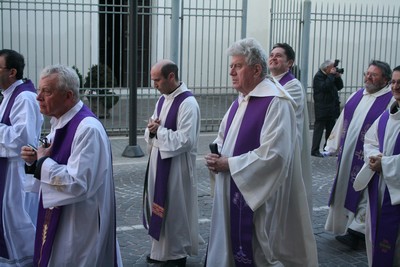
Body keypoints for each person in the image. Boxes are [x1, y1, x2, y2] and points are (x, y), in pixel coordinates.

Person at [204, 38, 318, 266]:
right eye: (231, 66)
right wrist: (216, 155)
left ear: (256, 70)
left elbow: (275, 155)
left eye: (237, 66)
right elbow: (224, 136)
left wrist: (230, 164)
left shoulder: (277, 102)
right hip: (231, 187)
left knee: (257, 252)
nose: (231, 72)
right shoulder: (241, 100)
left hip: (259, 198)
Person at [20, 64, 122, 266]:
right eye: (39, 90)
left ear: (68, 96)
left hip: (79, 222)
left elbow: (78, 182)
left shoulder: (87, 129)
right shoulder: (61, 121)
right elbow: (49, 153)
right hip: (63, 215)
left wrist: (41, 162)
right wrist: (34, 159)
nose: (38, 97)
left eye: (46, 92)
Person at [324, 60, 394, 250]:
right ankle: (347, 228)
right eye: (367, 73)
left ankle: (357, 232)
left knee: (364, 194)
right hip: (348, 156)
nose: (368, 77)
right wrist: (332, 145)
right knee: (346, 188)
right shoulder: (357, 95)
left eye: (374, 75)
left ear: (386, 80)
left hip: (370, 158)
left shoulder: (390, 100)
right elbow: (342, 121)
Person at [143, 59, 200, 267]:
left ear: (171, 77)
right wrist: (151, 129)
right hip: (159, 161)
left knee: (174, 210)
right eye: (152, 80)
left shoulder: (188, 103)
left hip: (176, 167)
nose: (154, 84)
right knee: (157, 206)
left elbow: (187, 140)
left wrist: (159, 132)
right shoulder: (162, 100)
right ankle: (159, 252)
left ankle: (176, 255)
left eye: (157, 80)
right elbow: (152, 128)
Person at [353, 65, 400, 267]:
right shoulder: (388, 114)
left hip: (395, 191)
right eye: (394, 82)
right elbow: (370, 140)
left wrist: (386, 164)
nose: (396, 87)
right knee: (376, 238)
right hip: (381, 188)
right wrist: (373, 157)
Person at [0, 49, 42, 266]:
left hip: (16, 171)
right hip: (6, 169)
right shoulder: (8, 95)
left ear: (12, 72)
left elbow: (23, 138)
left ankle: (25, 261)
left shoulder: (24, 97)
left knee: (18, 219)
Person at [269, 42, 313, 215]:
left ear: (290, 63)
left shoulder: (293, 85)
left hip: (286, 144)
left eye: (279, 55)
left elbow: (274, 109)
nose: (273, 58)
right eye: (272, 55)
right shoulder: (269, 81)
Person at [311, 59, 344, 157]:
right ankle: (315, 150)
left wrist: (337, 77)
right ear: (326, 68)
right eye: (332, 68)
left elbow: (339, 87)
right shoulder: (318, 77)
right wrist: (331, 76)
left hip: (331, 107)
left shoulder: (330, 76)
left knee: (330, 130)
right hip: (322, 107)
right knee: (319, 129)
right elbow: (325, 87)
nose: (334, 69)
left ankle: (327, 148)